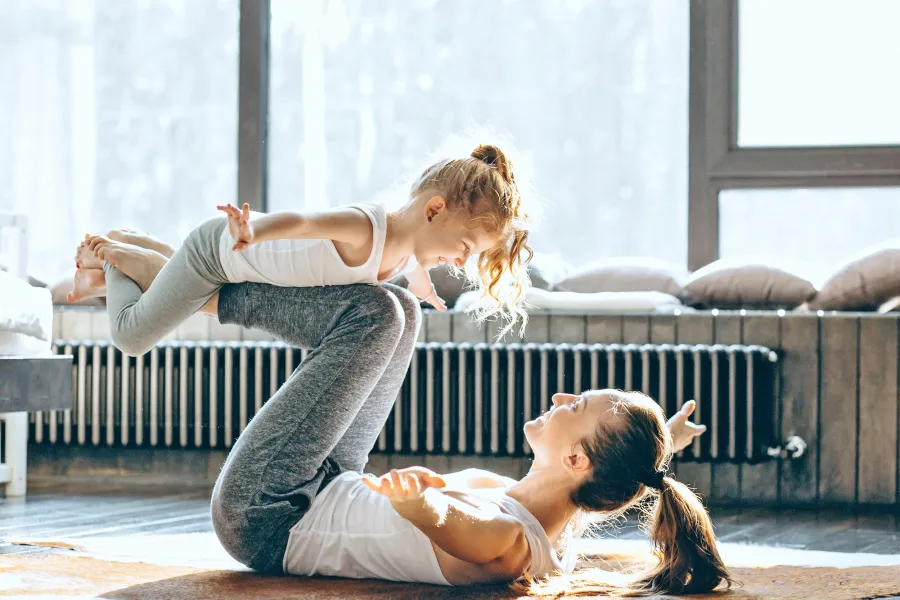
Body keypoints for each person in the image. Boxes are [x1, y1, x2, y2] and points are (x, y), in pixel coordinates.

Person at [76, 236, 726, 596]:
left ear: (578, 461)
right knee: (402, 311)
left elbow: (459, 527)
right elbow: (626, 473)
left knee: (375, 316)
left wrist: (422, 505)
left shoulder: (508, 544)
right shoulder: (555, 512)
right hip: (330, 484)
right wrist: (660, 444)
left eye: (575, 406)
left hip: (270, 514)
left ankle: (185, 287)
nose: (561, 399)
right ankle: (174, 285)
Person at [68, 144, 532, 357]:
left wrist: (424, 287)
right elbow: (305, 221)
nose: (462, 262)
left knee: (179, 286)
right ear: (434, 210)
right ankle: (108, 256)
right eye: (465, 247)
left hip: (233, 264)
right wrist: (256, 228)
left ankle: (129, 241)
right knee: (130, 338)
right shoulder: (367, 228)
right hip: (220, 253)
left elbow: (413, 271)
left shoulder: (406, 255)